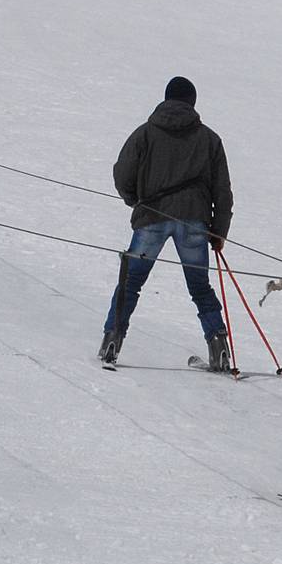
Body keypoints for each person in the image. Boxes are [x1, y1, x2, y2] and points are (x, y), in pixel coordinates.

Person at [98, 77, 233, 370]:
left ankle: (112, 341)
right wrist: (219, 232)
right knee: (200, 287)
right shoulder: (210, 139)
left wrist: (134, 199)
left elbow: (123, 173)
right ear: (192, 102)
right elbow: (223, 190)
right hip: (195, 223)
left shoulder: (145, 133)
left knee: (131, 282)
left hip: (152, 217)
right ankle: (219, 346)